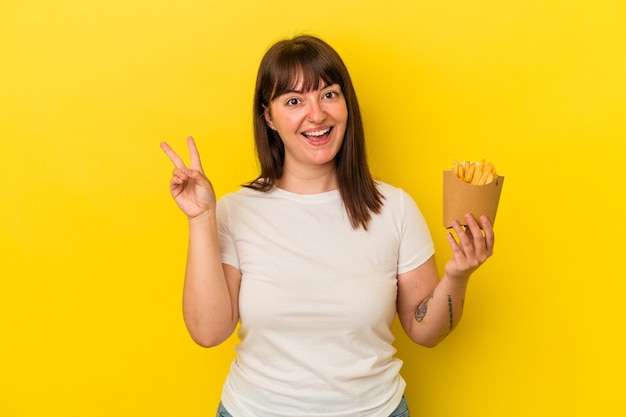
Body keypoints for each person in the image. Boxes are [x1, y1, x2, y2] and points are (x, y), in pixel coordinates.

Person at [160, 35, 494, 417]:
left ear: (346, 104)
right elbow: (208, 332)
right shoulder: (236, 212)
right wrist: (202, 219)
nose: (316, 114)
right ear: (268, 116)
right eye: (294, 101)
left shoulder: (395, 208)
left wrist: (458, 276)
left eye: (329, 95)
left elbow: (424, 331)